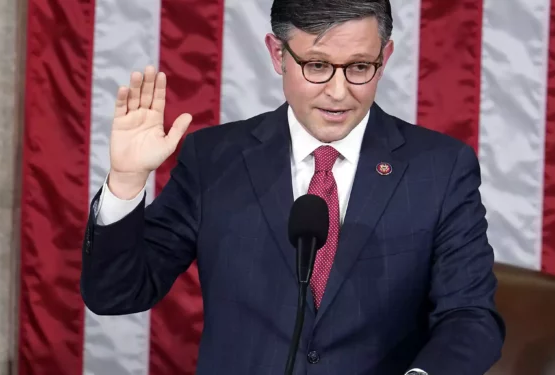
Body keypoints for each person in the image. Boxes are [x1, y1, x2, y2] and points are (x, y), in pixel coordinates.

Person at [80, 0, 505, 374]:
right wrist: (126, 181)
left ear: (385, 56)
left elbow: (470, 315)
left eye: (359, 67)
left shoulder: (440, 167)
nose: (338, 93)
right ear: (277, 53)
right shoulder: (213, 160)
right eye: (317, 66)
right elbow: (117, 293)